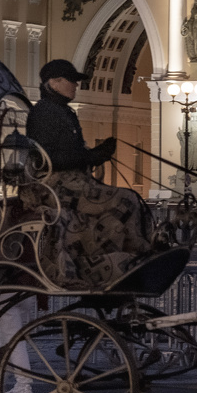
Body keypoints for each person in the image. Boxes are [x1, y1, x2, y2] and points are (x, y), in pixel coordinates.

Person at [25, 59, 154, 289]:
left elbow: (74, 152)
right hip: (57, 186)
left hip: (75, 182)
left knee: (127, 202)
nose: (76, 85)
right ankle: (131, 253)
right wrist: (91, 156)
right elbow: (50, 158)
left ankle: (123, 255)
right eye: (71, 81)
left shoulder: (64, 112)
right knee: (126, 199)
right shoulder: (43, 112)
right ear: (54, 83)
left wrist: (96, 154)